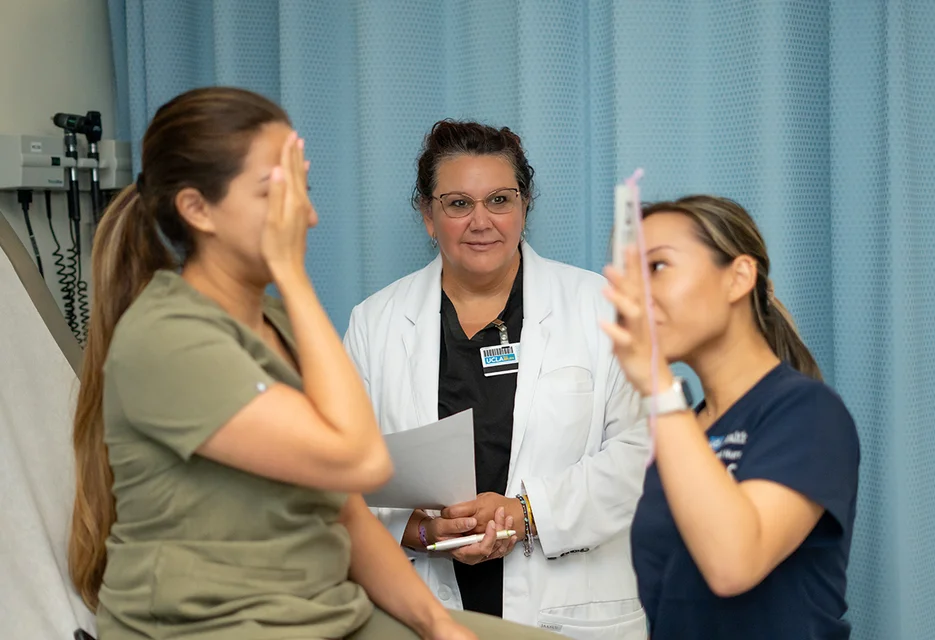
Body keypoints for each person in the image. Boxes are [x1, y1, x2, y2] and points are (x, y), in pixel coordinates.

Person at [67, 87, 557, 640]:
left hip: (323, 611)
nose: (308, 213)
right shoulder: (167, 339)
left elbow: (346, 510)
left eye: (303, 187)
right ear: (197, 209)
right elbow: (360, 463)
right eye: (276, 191)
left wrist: (436, 625)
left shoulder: (273, 322)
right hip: (214, 624)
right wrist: (295, 275)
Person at [344, 120, 650, 637]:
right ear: (427, 215)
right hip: (424, 604)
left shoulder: (598, 307)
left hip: (571, 606)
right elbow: (341, 473)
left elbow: (643, 452)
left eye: (500, 200)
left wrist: (526, 513)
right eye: (458, 204)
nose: (481, 221)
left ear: (525, 206)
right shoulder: (375, 323)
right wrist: (419, 531)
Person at [600, 195, 860, 639]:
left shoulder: (810, 413)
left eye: (657, 268)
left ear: (738, 278)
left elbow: (733, 565)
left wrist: (658, 387)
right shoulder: (683, 428)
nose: (638, 295)